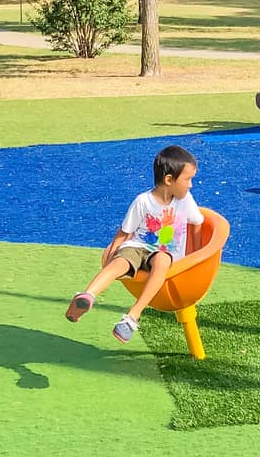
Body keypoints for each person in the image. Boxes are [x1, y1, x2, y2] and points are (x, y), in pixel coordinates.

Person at [64, 144, 203, 343]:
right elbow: (125, 233)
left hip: (162, 254)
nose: (190, 185)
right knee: (121, 261)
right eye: (188, 179)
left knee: (161, 260)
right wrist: (110, 256)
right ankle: (92, 299)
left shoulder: (185, 200)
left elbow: (197, 222)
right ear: (169, 180)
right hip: (138, 247)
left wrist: (195, 255)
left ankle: (117, 308)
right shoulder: (143, 201)